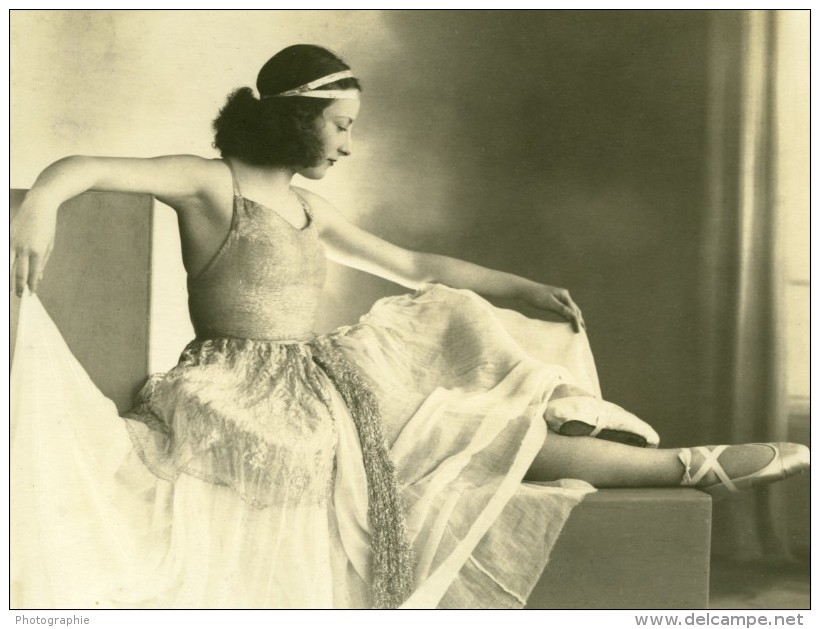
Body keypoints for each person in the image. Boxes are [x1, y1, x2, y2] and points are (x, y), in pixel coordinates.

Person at [9, 44, 809, 610]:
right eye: (341, 125)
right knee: (419, 445)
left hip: (320, 375)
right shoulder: (208, 183)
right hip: (236, 386)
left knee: (461, 390)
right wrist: (40, 206)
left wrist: (522, 287)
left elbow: (419, 266)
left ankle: (689, 464)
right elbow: (88, 169)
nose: (350, 144)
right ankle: (688, 465)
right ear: (298, 119)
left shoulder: (308, 207)